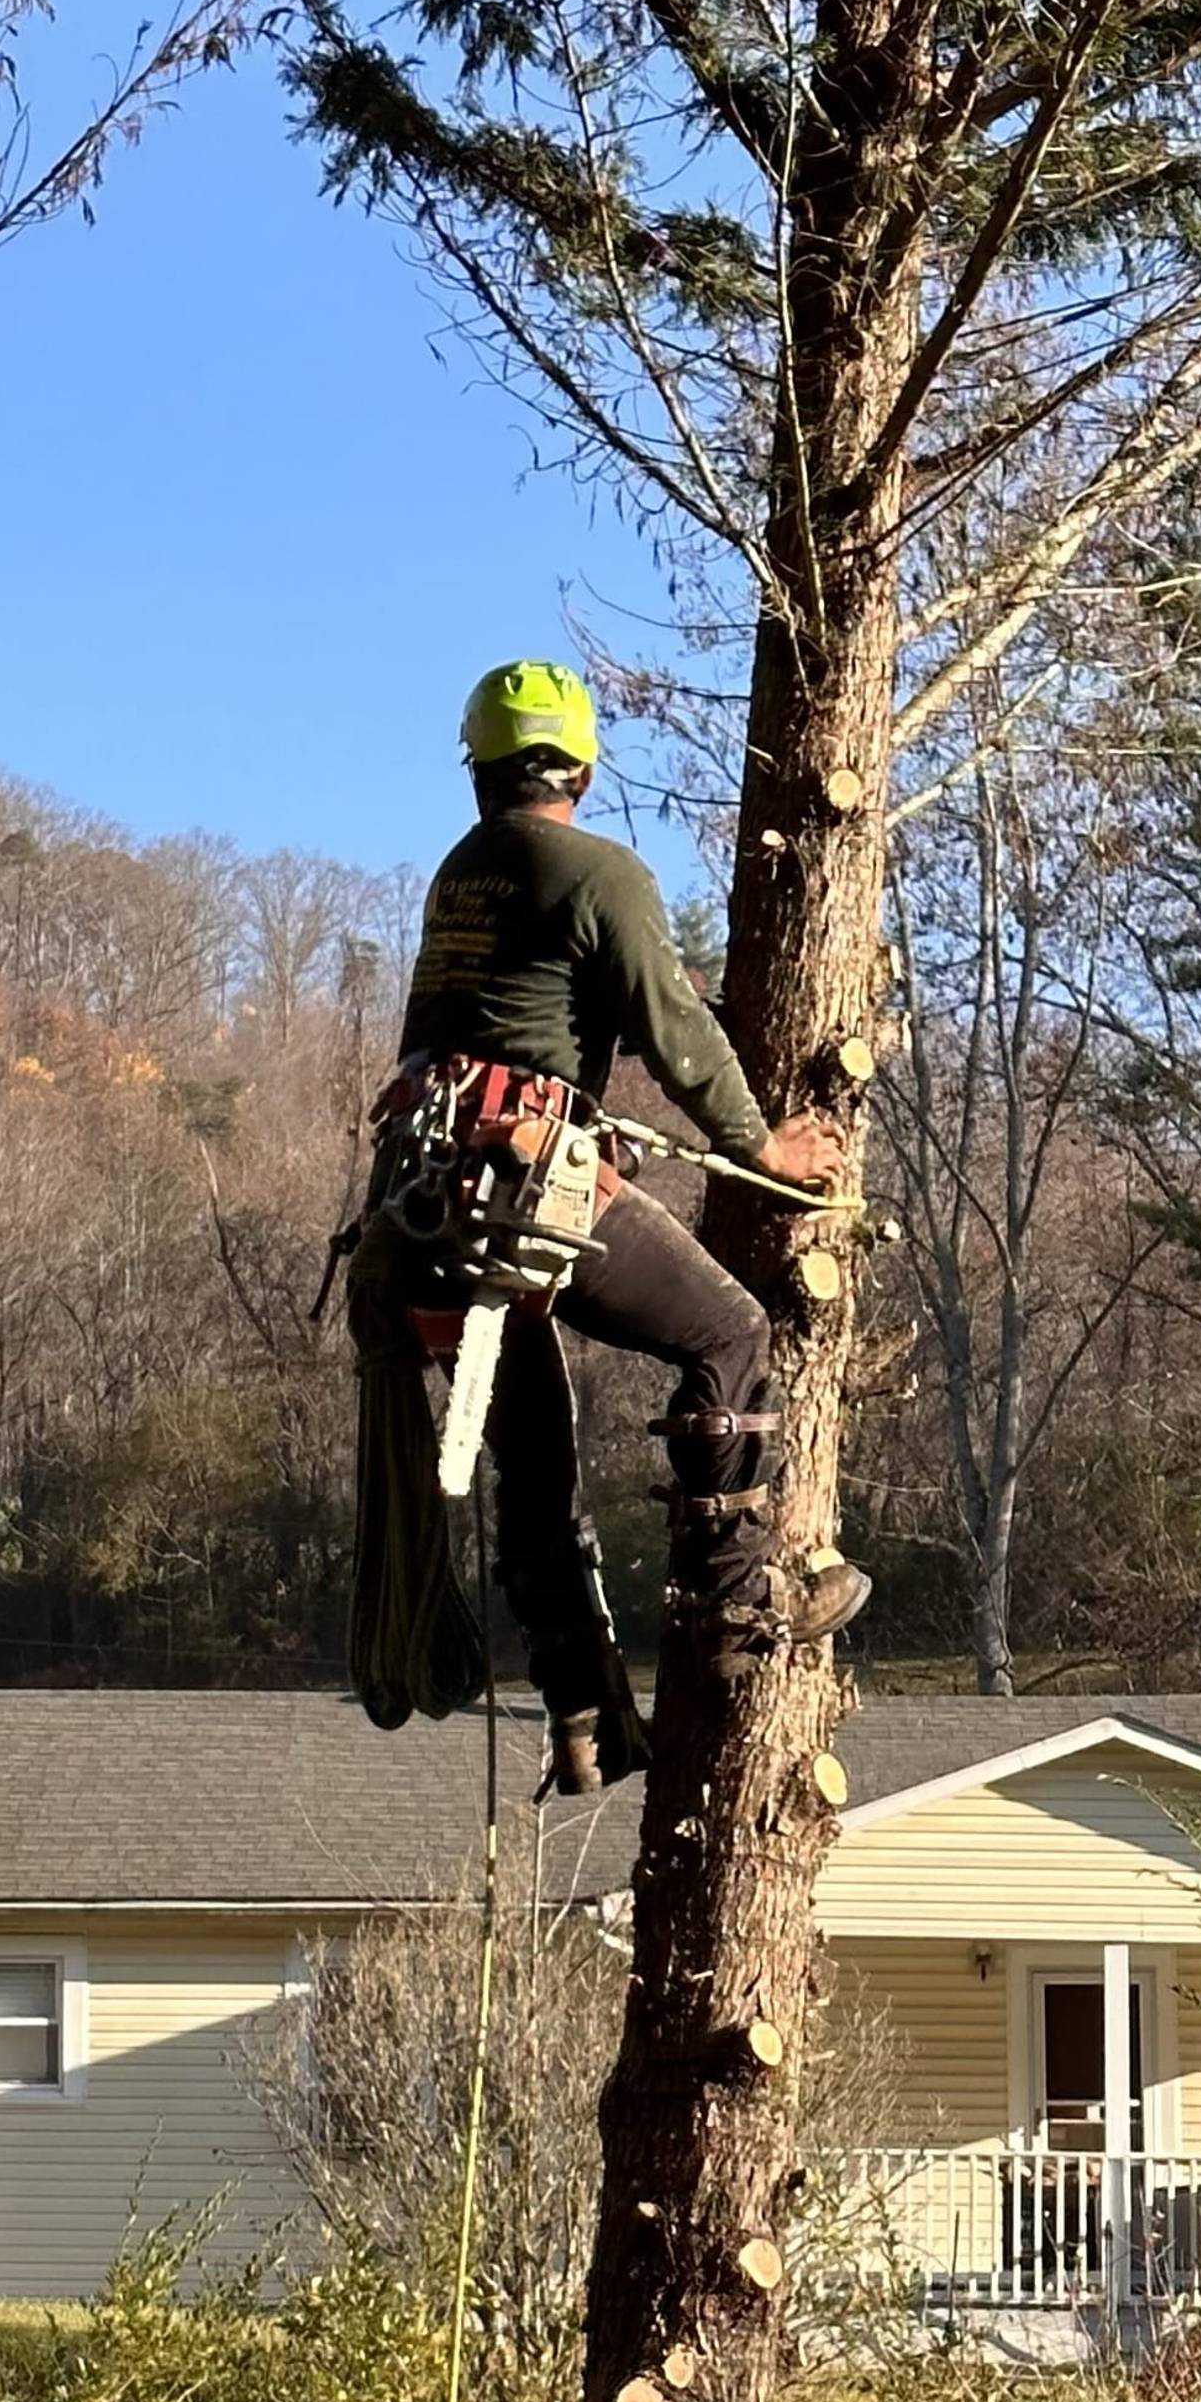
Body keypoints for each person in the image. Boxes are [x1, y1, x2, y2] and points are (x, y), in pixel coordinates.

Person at [364, 658, 867, 1794]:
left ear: (482, 771)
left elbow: (542, 1009)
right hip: (521, 1186)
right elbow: (676, 1034)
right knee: (731, 1334)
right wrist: (765, 1149)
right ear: (580, 764)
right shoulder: (601, 872)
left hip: (424, 1208)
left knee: (534, 1462)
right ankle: (741, 1605)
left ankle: (583, 1715)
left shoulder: (464, 872)